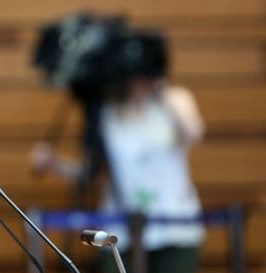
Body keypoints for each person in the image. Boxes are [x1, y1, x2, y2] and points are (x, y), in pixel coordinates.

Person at [30, 77, 205, 273]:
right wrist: (55, 164)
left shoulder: (175, 99)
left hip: (175, 227)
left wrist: (158, 87)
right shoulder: (106, 112)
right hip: (119, 230)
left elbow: (194, 133)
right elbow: (95, 172)